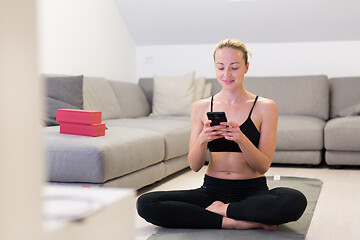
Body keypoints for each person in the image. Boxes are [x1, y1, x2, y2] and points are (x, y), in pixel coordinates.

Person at [137, 38, 307, 231]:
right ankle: (231, 220)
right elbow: (194, 165)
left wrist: (241, 139)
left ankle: (223, 210)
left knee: (294, 200)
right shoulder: (201, 107)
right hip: (211, 191)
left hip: (252, 192)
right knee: (146, 202)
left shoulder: (265, 107)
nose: (226, 74)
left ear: (246, 67)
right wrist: (202, 140)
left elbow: (262, 166)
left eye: (234, 67)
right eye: (220, 67)